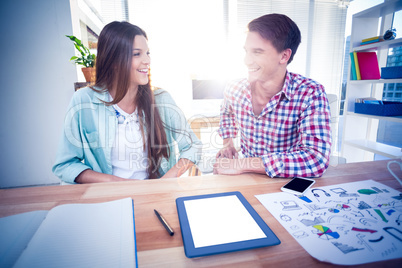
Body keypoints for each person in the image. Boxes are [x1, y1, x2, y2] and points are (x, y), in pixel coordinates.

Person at [53, 21, 201, 184]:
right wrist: (114, 182)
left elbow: (193, 146)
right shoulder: (83, 100)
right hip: (106, 196)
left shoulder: (161, 99)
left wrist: (163, 183)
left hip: (153, 193)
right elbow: (65, 165)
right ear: (114, 61)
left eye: (147, 53)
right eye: (137, 54)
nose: (147, 61)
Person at [214, 14, 331, 178]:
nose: (246, 61)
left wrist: (243, 163)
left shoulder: (310, 93)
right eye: (246, 51)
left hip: (284, 182)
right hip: (247, 178)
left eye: (257, 52)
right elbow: (226, 112)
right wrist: (228, 143)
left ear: (284, 56)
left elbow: (316, 159)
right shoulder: (234, 88)